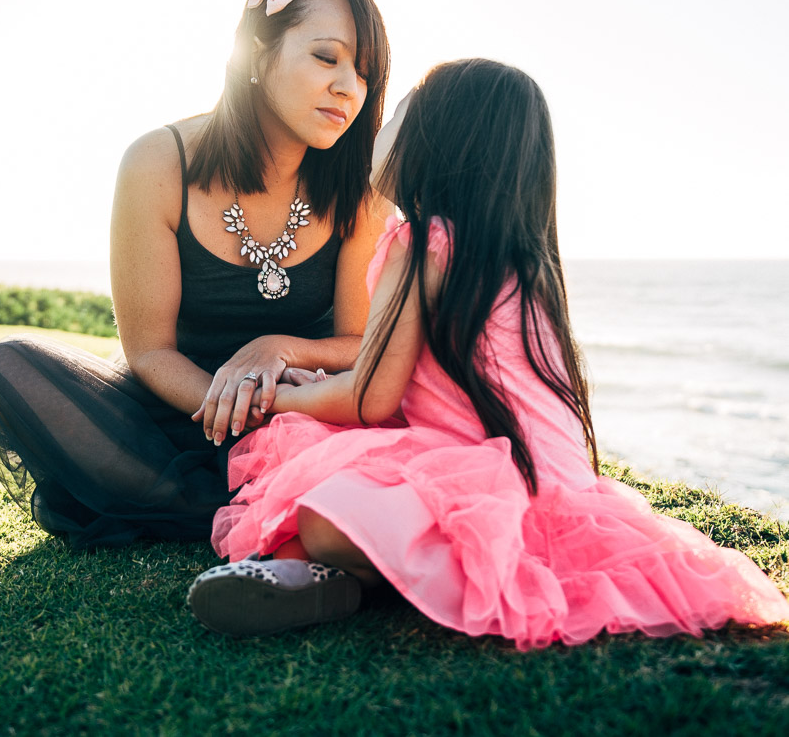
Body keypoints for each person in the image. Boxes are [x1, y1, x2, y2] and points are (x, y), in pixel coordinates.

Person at [188, 59, 789, 647]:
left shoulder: (422, 242)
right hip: (551, 489)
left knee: (321, 497)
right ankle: (316, 579)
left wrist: (282, 398)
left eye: (398, 114)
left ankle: (354, 575)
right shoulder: (525, 266)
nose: (379, 128)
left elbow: (369, 398)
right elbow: (411, 382)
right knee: (334, 492)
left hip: (478, 481)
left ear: (435, 142)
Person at [0, 0, 391, 550]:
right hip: (174, 412)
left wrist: (279, 353)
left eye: (365, 74)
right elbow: (149, 350)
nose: (349, 87)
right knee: (5, 365)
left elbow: (358, 344)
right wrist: (238, 410)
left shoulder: (361, 190)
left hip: (303, 412)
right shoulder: (157, 163)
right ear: (260, 56)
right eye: (327, 57)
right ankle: (240, 502)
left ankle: (222, 501)